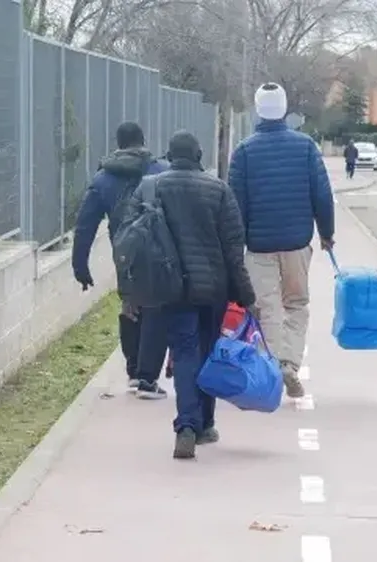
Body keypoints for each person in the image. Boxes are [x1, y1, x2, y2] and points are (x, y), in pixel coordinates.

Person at [124, 131, 255, 460]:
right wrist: (246, 295)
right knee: (208, 352)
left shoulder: (151, 187)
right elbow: (233, 250)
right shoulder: (219, 190)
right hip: (213, 289)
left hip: (169, 288)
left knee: (184, 353)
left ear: (168, 155)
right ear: (199, 155)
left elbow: (130, 243)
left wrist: (131, 290)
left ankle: (186, 425)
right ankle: (205, 423)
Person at [228, 83, 335, 398]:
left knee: (266, 309)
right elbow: (322, 195)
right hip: (297, 242)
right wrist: (326, 233)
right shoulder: (305, 147)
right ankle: (290, 362)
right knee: (296, 305)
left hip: (258, 246)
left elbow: (236, 205)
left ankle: (272, 368)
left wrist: (238, 245)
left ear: (258, 109)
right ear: (285, 109)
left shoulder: (245, 151)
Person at [71, 122, 170, 399]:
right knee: (155, 308)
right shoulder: (160, 171)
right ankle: (148, 378)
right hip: (158, 250)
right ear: (143, 140)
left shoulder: (103, 178)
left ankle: (133, 370)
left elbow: (85, 225)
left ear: (118, 143)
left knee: (130, 303)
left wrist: (80, 266)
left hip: (124, 252)